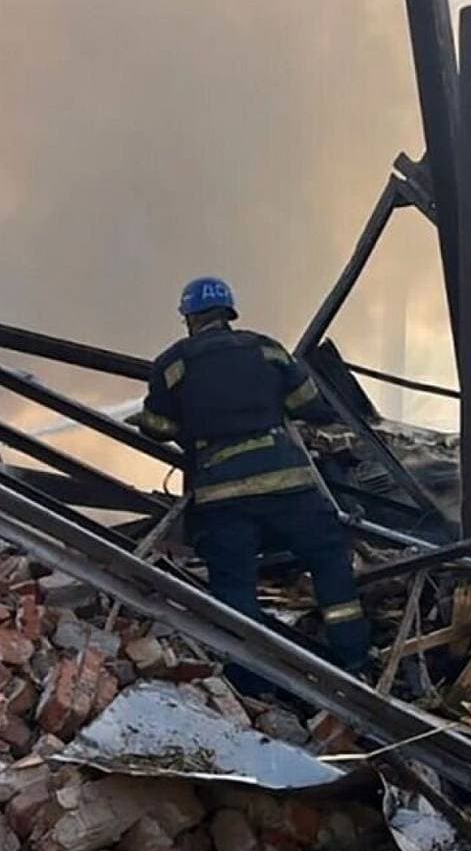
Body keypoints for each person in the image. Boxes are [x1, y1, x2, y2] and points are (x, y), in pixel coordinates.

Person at [135, 277, 369, 672]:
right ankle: (353, 660)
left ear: (189, 318)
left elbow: (156, 426)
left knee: (233, 585)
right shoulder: (266, 349)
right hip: (287, 483)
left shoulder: (173, 363)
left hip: (222, 494)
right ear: (229, 314)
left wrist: (190, 426)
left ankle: (253, 680)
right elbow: (309, 403)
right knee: (329, 559)